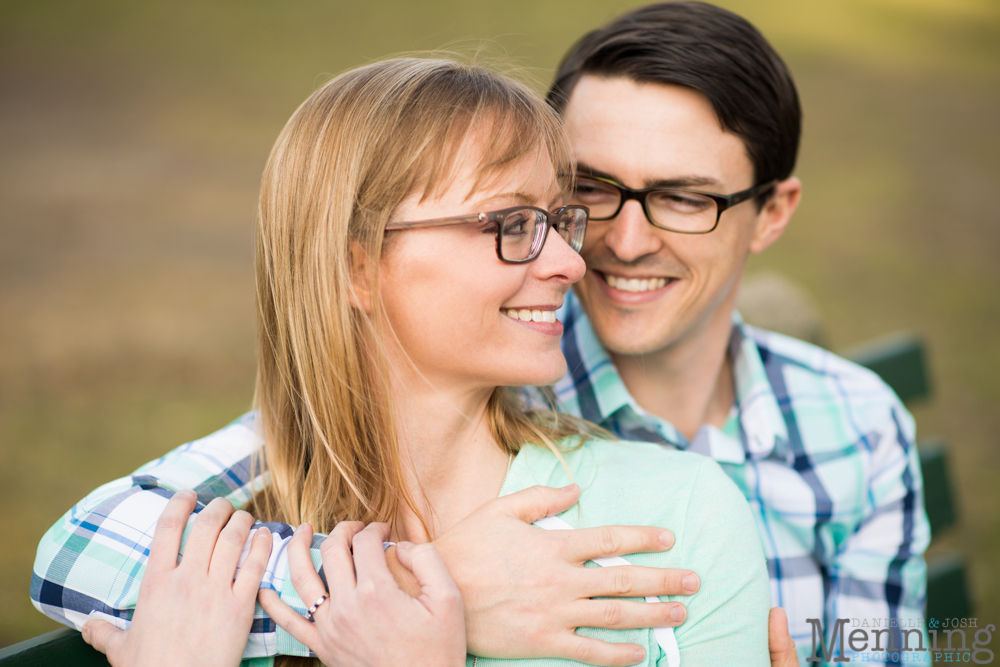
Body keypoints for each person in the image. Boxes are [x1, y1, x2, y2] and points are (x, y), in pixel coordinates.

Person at [33, 57, 772, 665]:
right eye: (512, 223)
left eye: (556, 221)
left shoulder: (674, 519)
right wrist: (429, 586)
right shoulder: (270, 478)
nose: (568, 262)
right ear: (355, 265)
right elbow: (72, 550)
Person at [544, 2, 930, 663]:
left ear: (772, 213)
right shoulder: (492, 408)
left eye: (685, 199)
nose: (626, 242)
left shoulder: (859, 427)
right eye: (591, 185)